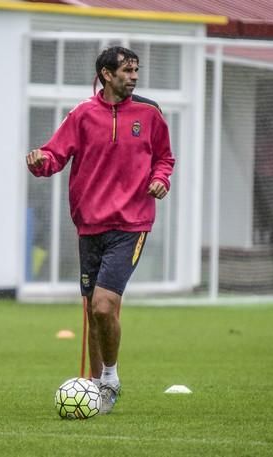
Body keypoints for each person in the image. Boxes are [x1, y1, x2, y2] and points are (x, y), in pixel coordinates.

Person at [25, 47, 175, 413]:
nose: (134, 76)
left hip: (132, 223)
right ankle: (95, 389)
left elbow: (164, 158)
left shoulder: (150, 113)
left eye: (136, 70)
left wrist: (160, 180)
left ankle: (110, 378)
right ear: (106, 74)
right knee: (94, 311)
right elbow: (55, 155)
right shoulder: (82, 114)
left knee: (105, 306)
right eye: (127, 70)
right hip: (89, 225)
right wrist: (39, 161)